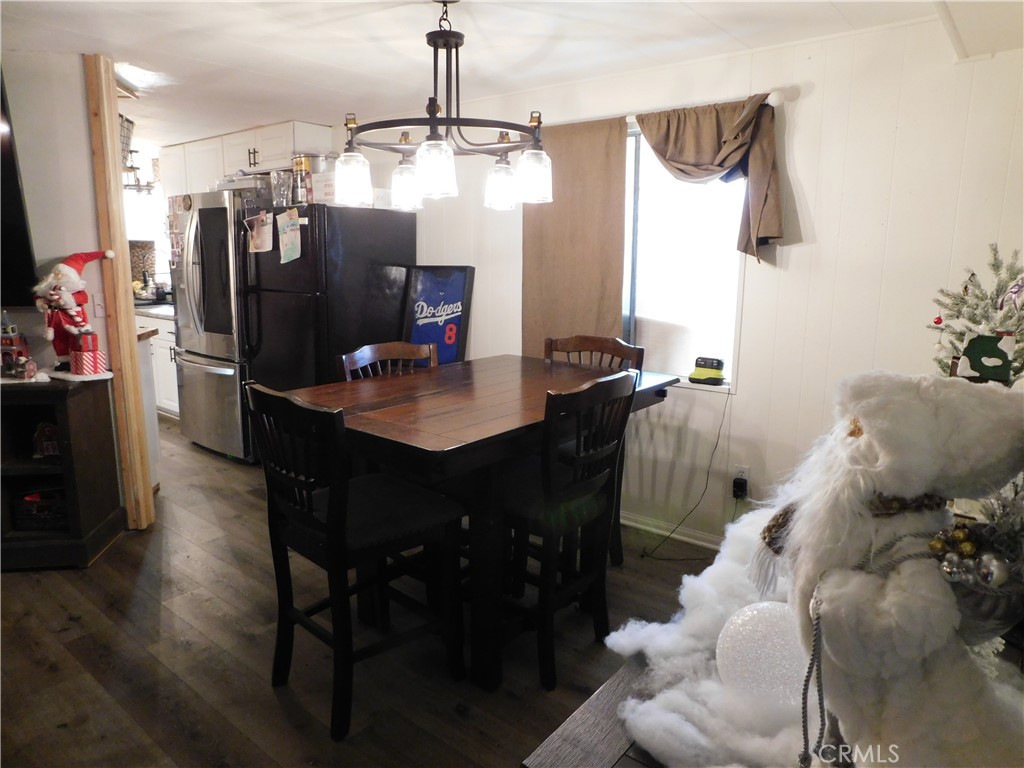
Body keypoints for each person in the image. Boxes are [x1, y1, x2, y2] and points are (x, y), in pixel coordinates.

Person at [32, 250, 113, 371]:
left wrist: (66, 300)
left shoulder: (76, 291)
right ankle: (64, 361)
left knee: (75, 339)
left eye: (62, 274)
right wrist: (42, 303)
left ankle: (79, 360)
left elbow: (82, 299)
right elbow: (39, 296)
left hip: (73, 319)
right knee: (58, 340)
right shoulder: (48, 291)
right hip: (55, 319)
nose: (58, 276)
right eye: (56, 273)